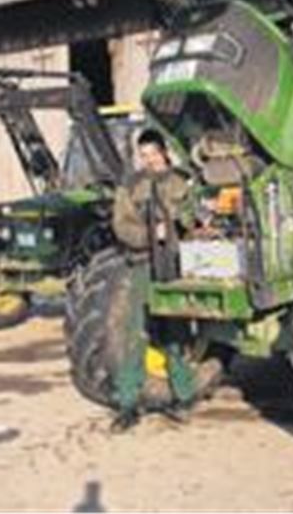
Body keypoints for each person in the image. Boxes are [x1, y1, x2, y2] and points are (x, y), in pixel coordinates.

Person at [108, 129, 197, 429]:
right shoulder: (131, 185)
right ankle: (128, 405)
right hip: (143, 266)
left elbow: (194, 218)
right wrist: (151, 235)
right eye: (142, 155)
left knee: (176, 333)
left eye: (152, 153)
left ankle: (183, 398)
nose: (148, 160)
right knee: (136, 335)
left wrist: (182, 225)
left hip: (174, 268)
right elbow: (122, 226)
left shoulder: (182, 182)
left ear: (163, 152)